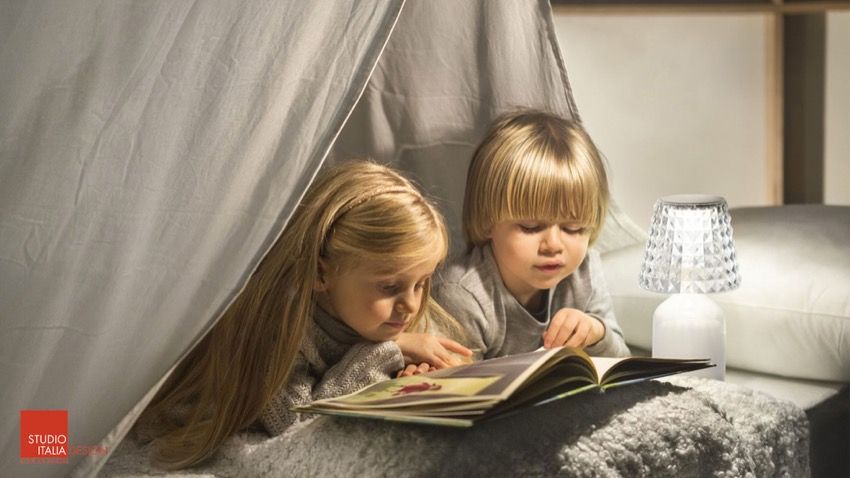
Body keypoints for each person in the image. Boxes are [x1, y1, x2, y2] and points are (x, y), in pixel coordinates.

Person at [136, 160, 467, 469]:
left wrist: (416, 378)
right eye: (389, 287)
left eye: (421, 283)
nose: (410, 304)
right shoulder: (275, 333)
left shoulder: (393, 319)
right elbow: (301, 427)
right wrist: (385, 353)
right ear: (322, 275)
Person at [432, 109, 631, 360]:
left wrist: (596, 332)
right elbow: (457, 388)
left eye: (573, 228)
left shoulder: (585, 270)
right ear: (487, 222)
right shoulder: (462, 295)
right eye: (530, 227)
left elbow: (621, 358)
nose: (553, 245)